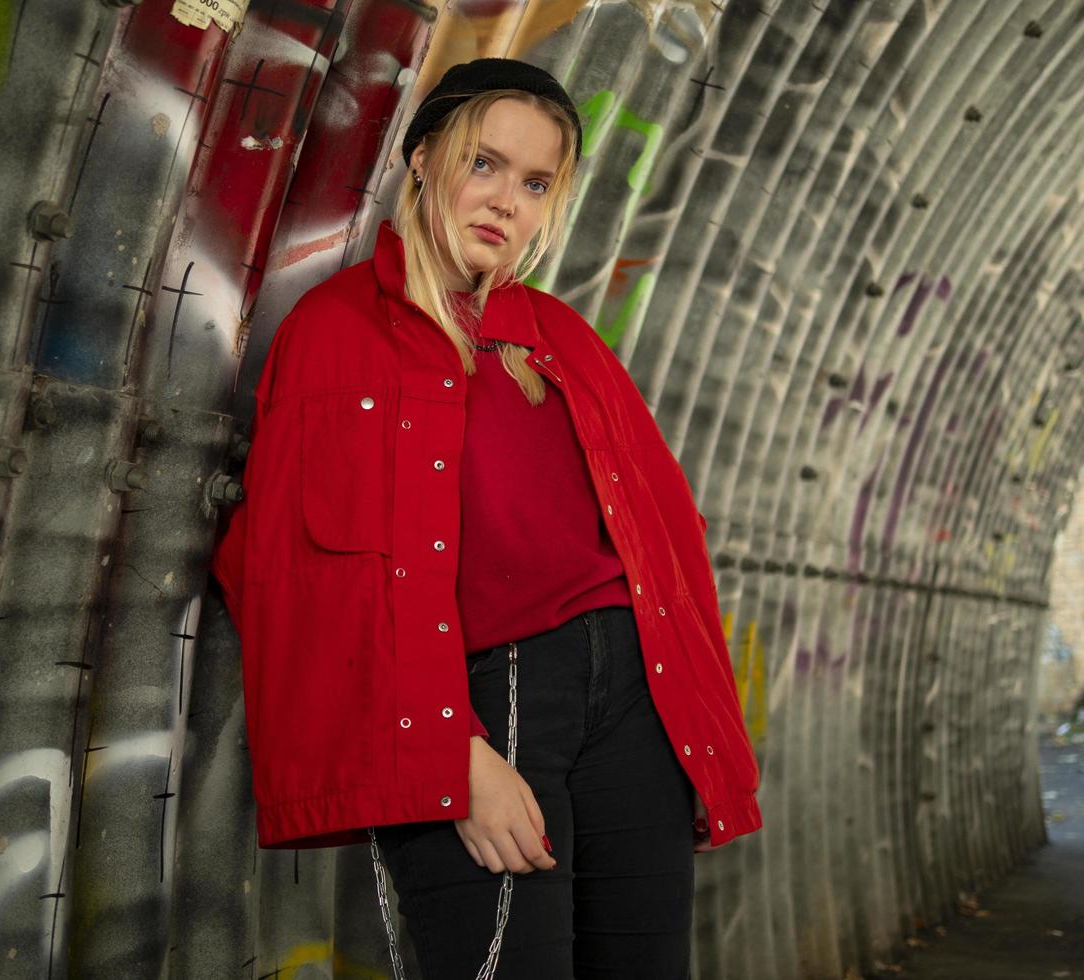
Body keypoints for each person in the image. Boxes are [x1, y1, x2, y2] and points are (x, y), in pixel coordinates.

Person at [211, 57, 762, 980]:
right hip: (487, 698)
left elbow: (667, 547)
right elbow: (301, 577)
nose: (508, 199)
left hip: (635, 696)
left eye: (536, 181)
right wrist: (448, 752)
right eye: (486, 164)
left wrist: (696, 739)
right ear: (422, 158)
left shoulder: (564, 337)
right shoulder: (338, 330)